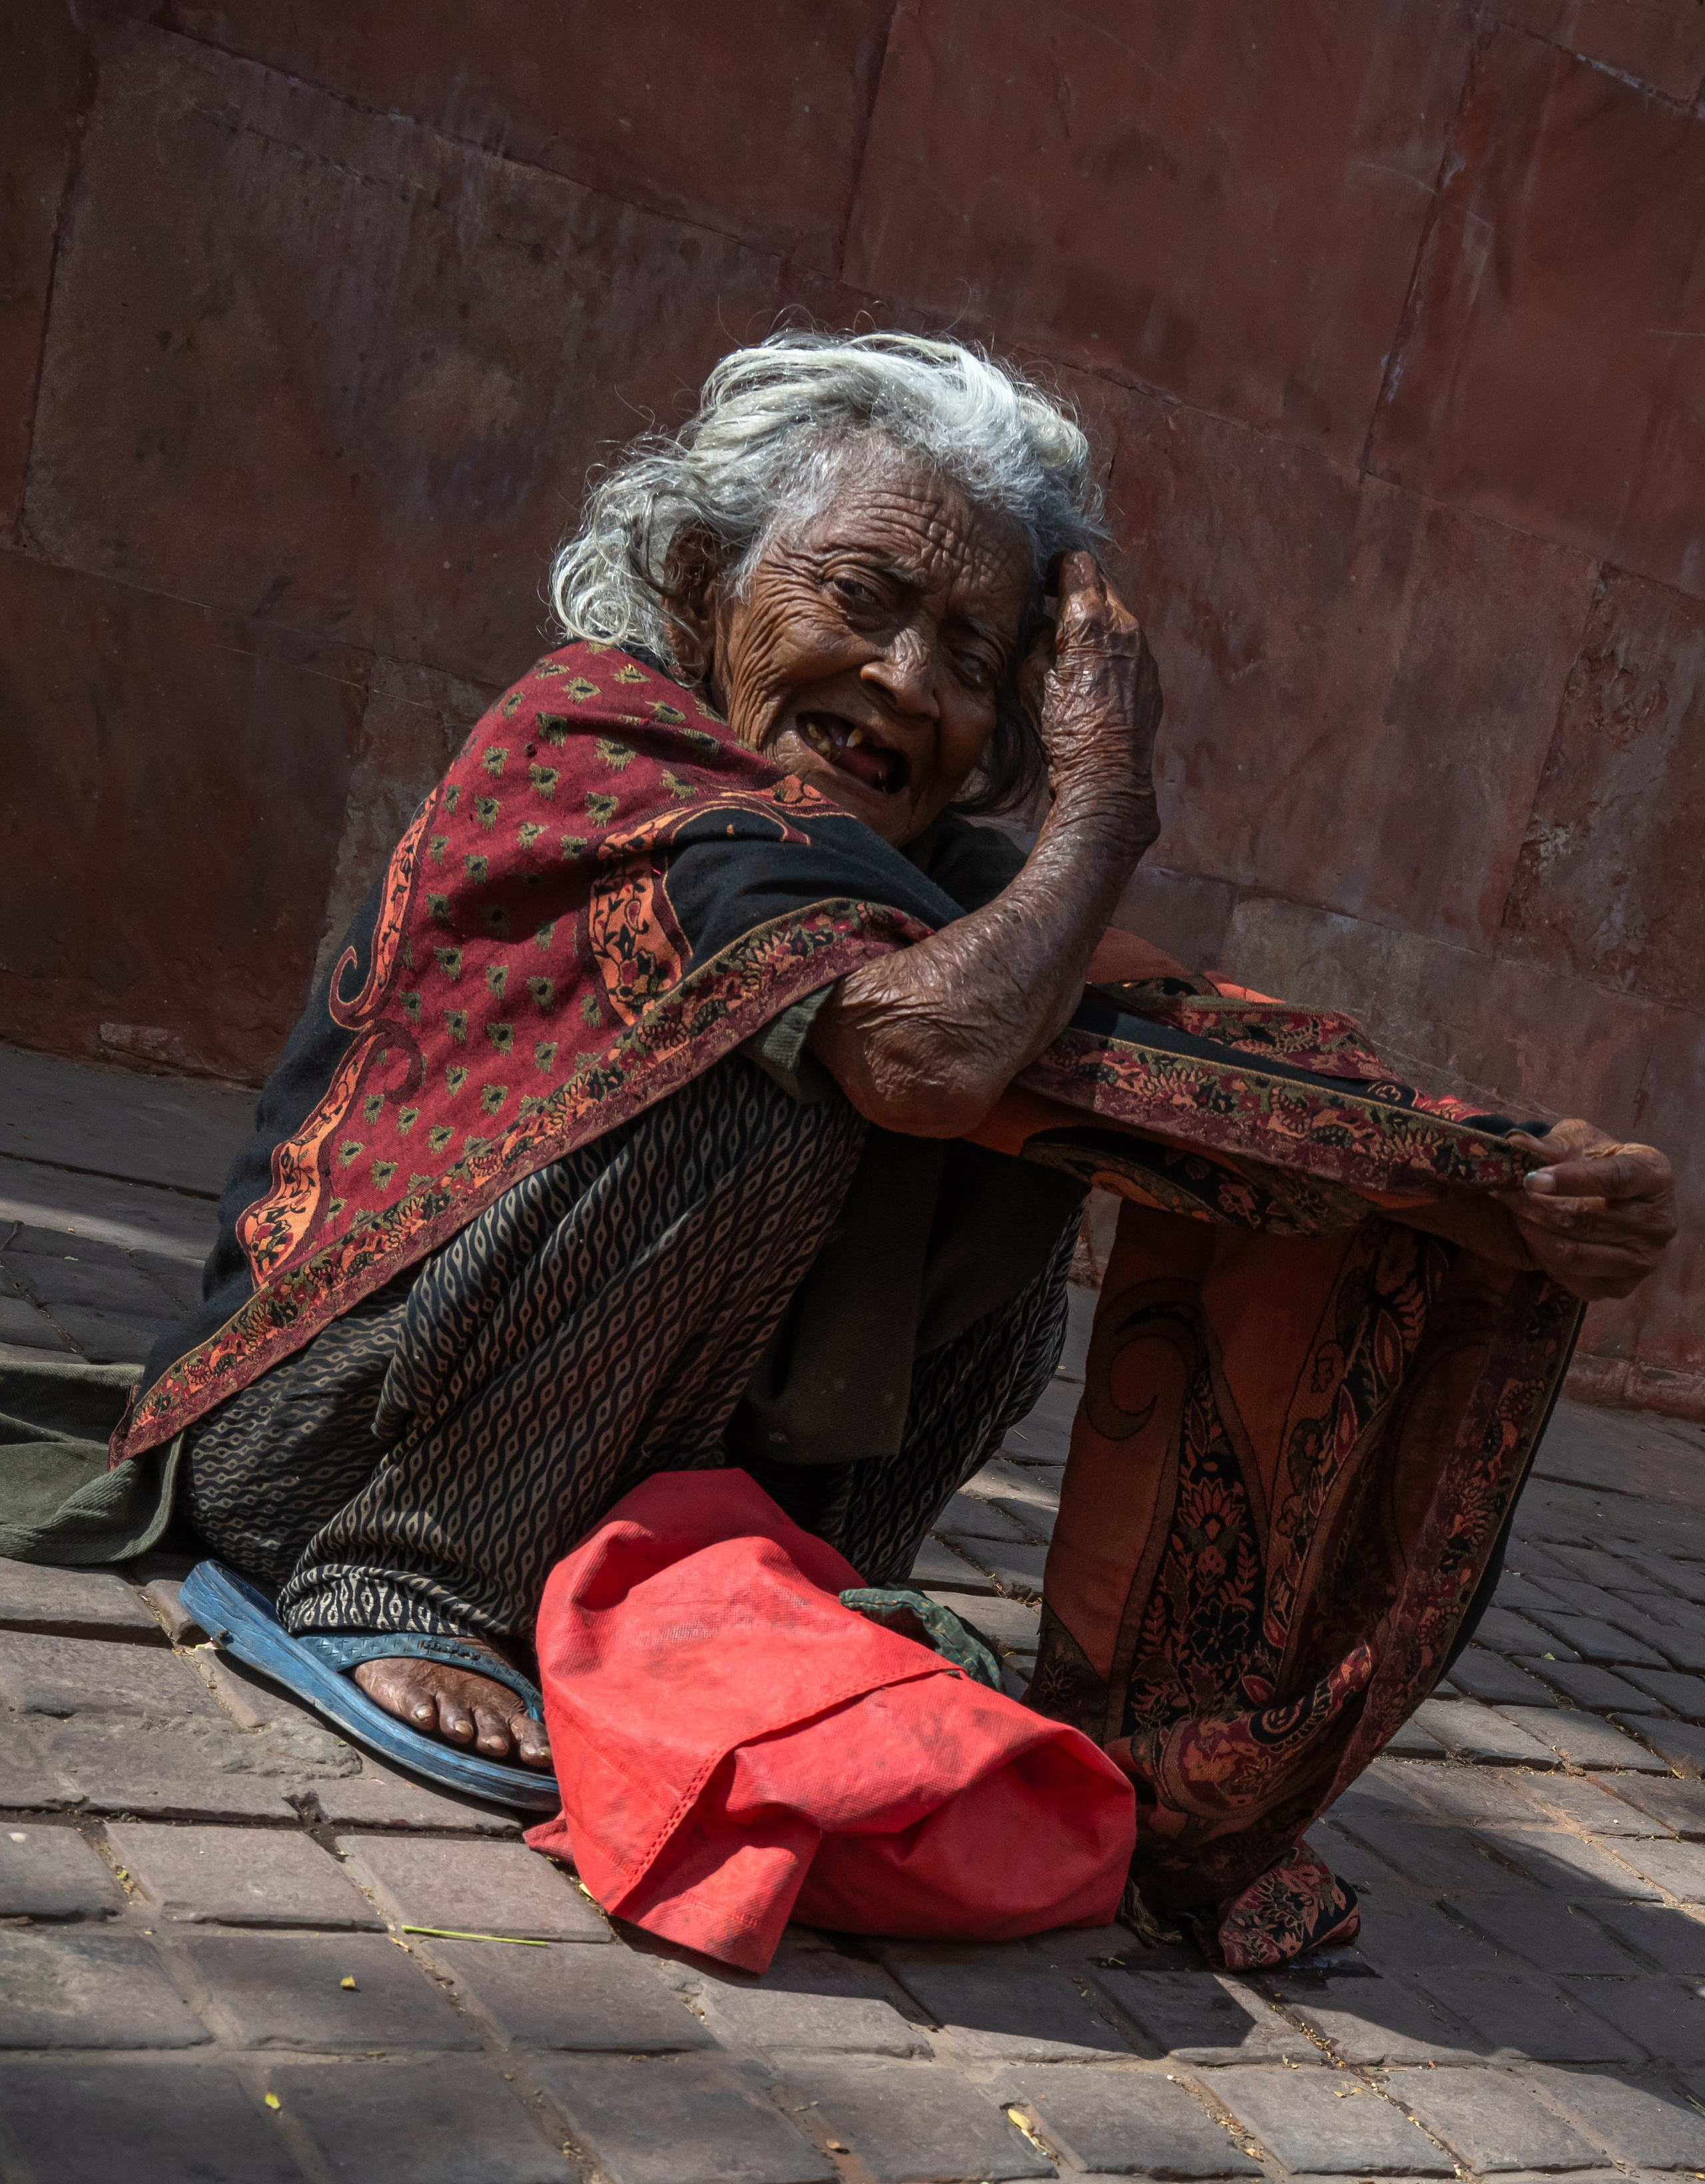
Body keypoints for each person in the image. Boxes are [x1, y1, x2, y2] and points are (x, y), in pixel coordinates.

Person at [113, 331, 1674, 1962]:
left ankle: (790, 1579)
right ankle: (408, 1583)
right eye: (861, 600)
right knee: (794, 1084)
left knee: (1052, 1111)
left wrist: (1514, 1186)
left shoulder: (952, 881)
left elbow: (1208, 1052)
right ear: (711, 570)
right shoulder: (606, 744)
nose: (910, 688)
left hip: (615, 1474)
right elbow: (916, 1056)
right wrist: (1107, 805)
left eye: (974, 656)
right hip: (323, 1437)